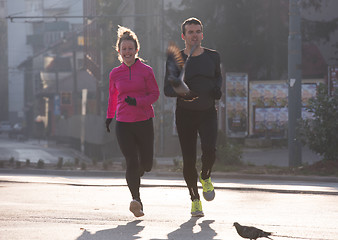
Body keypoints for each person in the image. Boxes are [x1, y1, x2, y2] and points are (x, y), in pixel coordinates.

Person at [164, 17, 223, 217]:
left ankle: (205, 176)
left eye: (198, 31)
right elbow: (167, 89)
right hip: (185, 115)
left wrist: (217, 90)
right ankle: (195, 200)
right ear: (184, 36)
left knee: (210, 150)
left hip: (207, 112)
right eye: (190, 32)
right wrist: (185, 93)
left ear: (202, 35)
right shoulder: (176, 59)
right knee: (188, 160)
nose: (194, 35)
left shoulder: (213, 56)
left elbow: (217, 77)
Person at [105, 26, 160, 217]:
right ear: (119, 51)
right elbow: (113, 97)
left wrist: (137, 101)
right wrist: (109, 116)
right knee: (131, 161)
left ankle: (141, 171)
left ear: (137, 50)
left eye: (130, 48)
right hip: (124, 123)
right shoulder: (115, 74)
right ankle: (136, 200)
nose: (127, 52)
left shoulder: (146, 71)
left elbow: (155, 94)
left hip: (144, 121)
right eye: (124, 49)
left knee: (146, 164)